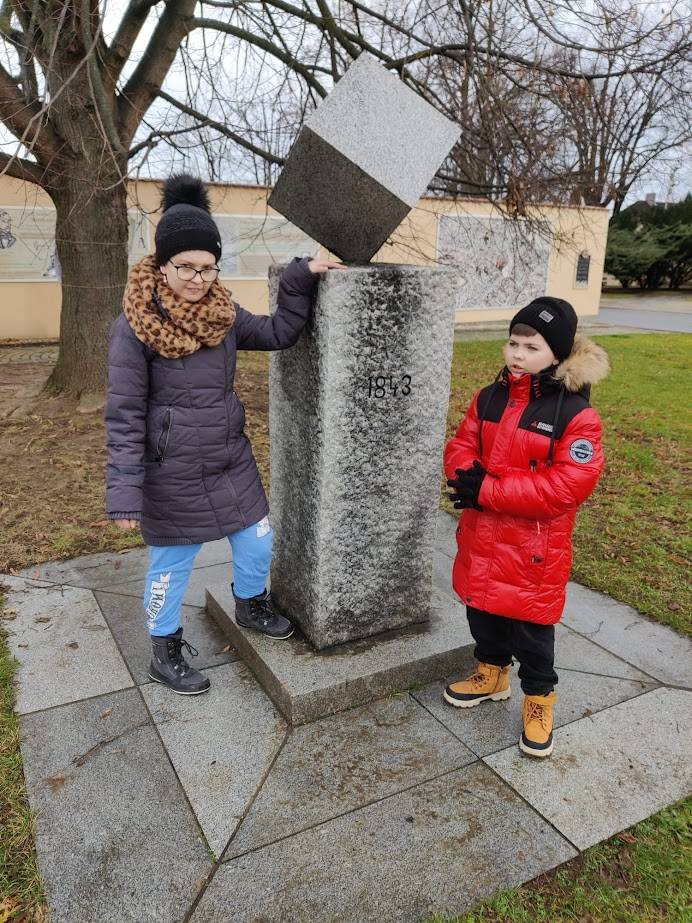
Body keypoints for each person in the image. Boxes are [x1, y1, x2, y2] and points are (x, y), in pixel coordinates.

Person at [105, 174, 344, 695]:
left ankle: (251, 603)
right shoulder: (134, 326)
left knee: (258, 541)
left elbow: (280, 332)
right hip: (170, 471)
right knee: (171, 566)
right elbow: (124, 414)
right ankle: (163, 650)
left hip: (228, 459)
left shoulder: (223, 314)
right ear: (162, 264)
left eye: (206, 266)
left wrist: (301, 276)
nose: (196, 277)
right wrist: (123, 493)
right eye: (184, 266)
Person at [443, 297, 609, 757]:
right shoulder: (490, 397)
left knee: (532, 631)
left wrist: (488, 490)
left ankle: (539, 699)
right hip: (484, 537)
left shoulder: (575, 415)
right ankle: (491, 673)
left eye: (530, 346)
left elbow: (566, 487)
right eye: (512, 343)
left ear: (557, 354)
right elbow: (462, 443)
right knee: (484, 612)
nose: (517, 354)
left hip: (535, 547)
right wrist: (465, 475)